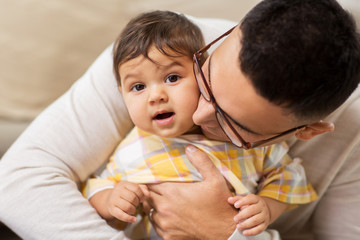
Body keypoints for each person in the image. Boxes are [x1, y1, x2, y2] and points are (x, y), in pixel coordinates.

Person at [0, 0, 359, 239]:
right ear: (233, 32)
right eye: (205, 81)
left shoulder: (352, 132)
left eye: (232, 122)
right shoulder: (161, 54)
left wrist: (223, 231)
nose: (199, 114)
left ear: (309, 131)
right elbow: (18, 180)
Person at [83, 10, 317, 240]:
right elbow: (95, 188)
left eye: (172, 78)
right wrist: (111, 199)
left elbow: (287, 177)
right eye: (138, 87)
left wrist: (266, 207)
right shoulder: (133, 149)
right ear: (121, 94)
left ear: (202, 74)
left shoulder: (245, 136)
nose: (155, 96)